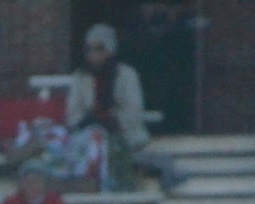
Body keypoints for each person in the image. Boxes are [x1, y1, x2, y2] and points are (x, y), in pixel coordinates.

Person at [68, 23, 177, 189]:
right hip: (90, 137)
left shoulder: (126, 75)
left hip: (124, 137)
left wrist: (110, 121)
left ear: (109, 50)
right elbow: (72, 113)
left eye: (98, 48)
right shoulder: (80, 78)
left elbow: (134, 112)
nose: (92, 54)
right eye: (88, 49)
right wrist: (89, 122)